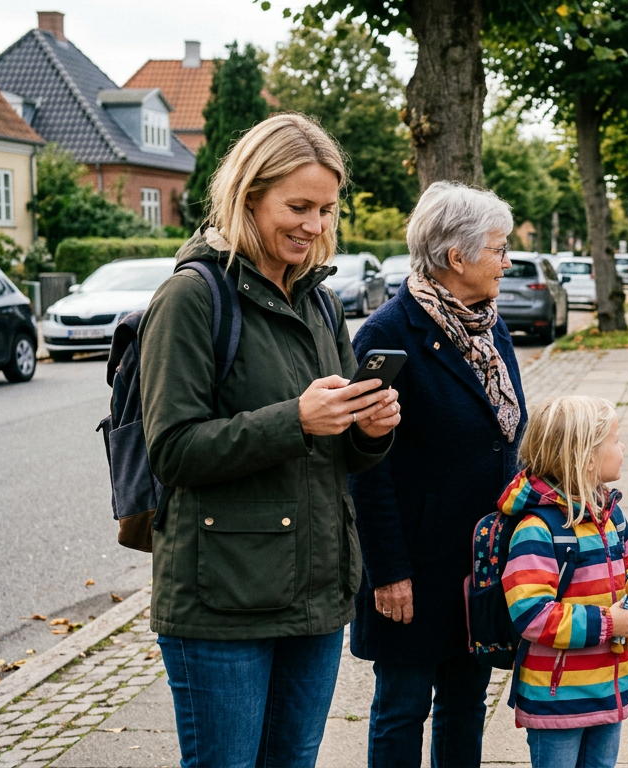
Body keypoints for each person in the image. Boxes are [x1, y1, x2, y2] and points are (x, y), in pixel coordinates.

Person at [139, 113, 402, 767]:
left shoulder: (320, 304)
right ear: (249, 195)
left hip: (314, 591)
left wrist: (368, 431)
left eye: (325, 209)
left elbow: (337, 451)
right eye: (299, 206)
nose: (314, 226)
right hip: (222, 599)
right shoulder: (192, 298)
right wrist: (296, 419)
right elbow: (171, 450)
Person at [348, 181, 528, 767]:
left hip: (480, 560)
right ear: (457, 257)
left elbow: (504, 436)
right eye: (498, 250)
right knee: (402, 708)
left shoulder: (488, 325)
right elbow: (364, 469)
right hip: (416, 564)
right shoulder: (386, 335)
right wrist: (388, 572)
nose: (508, 261)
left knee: (466, 705)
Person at [500, 396, 628, 768]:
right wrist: (610, 624)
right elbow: (531, 614)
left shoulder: (610, 516)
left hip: (610, 689)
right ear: (587, 458)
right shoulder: (538, 530)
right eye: (616, 440)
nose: (622, 447)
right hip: (560, 698)